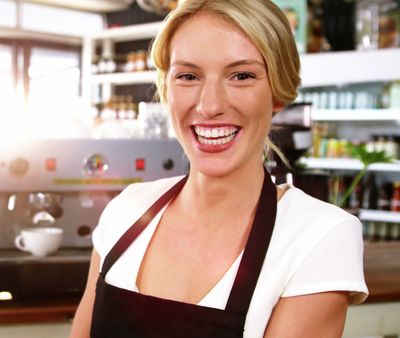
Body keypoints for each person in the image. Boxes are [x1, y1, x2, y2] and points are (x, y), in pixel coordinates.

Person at [70, 1, 368, 337]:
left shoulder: (319, 237)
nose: (209, 105)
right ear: (167, 89)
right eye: (188, 76)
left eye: (241, 75)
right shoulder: (125, 210)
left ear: (278, 94)